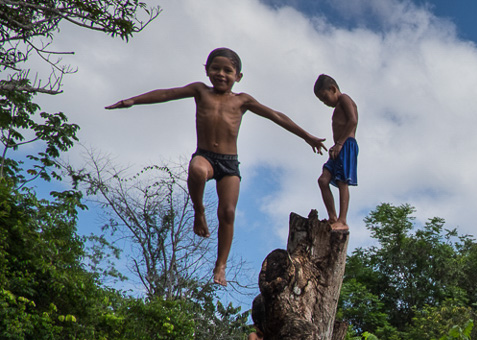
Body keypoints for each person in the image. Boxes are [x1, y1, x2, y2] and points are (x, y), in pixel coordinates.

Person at [107, 48, 326, 286]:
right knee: (197, 170)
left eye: (227, 70)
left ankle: (221, 265)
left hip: (229, 163)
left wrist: (307, 136)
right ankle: (199, 211)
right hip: (205, 156)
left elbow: (276, 116)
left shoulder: (242, 100)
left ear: (238, 76)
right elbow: (167, 93)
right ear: (207, 70)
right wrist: (133, 100)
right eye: (216, 68)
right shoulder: (200, 91)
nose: (221, 74)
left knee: (228, 213)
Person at [313, 74, 359, 231]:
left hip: (346, 145)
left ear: (333, 89)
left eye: (325, 98)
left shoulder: (344, 99)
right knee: (323, 180)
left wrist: (340, 144)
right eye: (322, 101)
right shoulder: (337, 106)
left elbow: (352, 120)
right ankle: (332, 217)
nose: (325, 103)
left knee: (342, 181)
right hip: (338, 147)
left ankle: (342, 220)